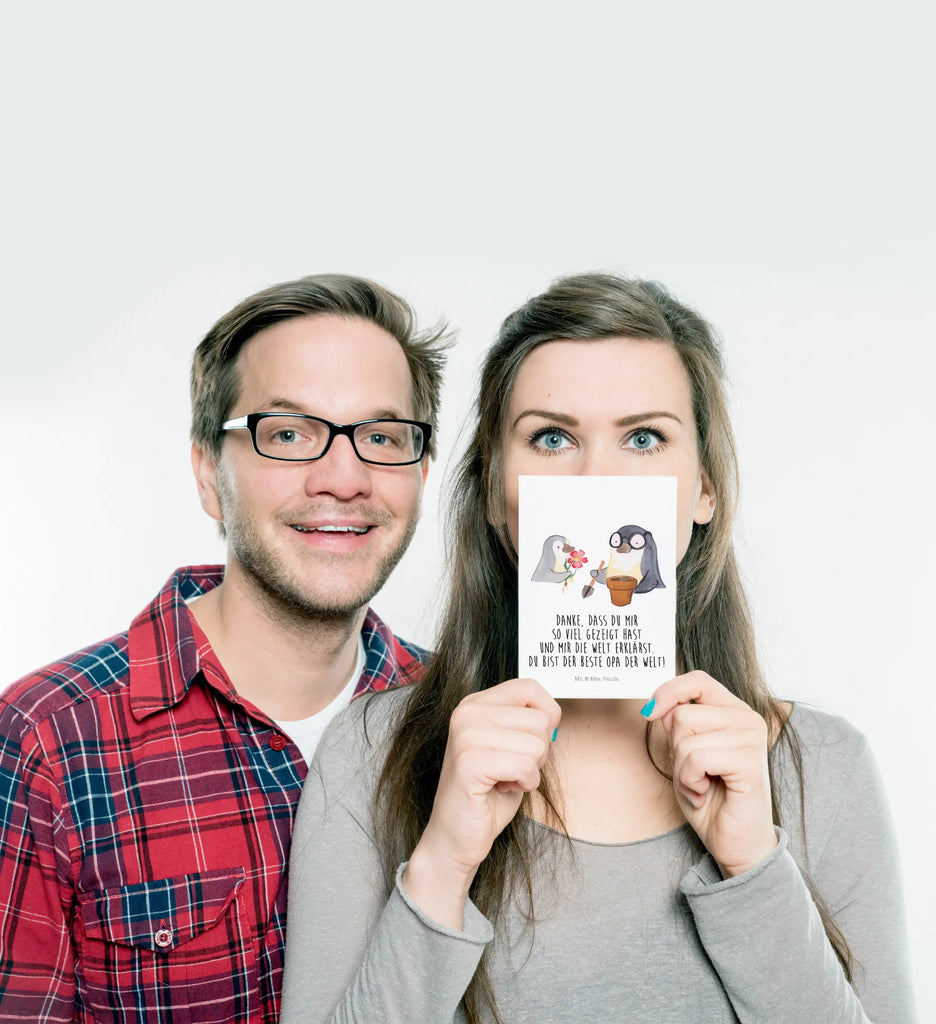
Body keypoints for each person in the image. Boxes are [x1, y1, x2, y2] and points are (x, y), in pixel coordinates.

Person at [279, 273, 917, 1023]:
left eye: (644, 438)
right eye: (552, 438)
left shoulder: (824, 769)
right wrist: (443, 861)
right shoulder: (370, 754)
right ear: (493, 490)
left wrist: (753, 867)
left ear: (704, 489)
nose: (597, 479)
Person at [0, 274, 450, 1024]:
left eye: (383, 438)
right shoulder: (42, 744)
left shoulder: (458, 716)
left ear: (421, 474)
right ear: (208, 473)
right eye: (288, 434)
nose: (344, 478)